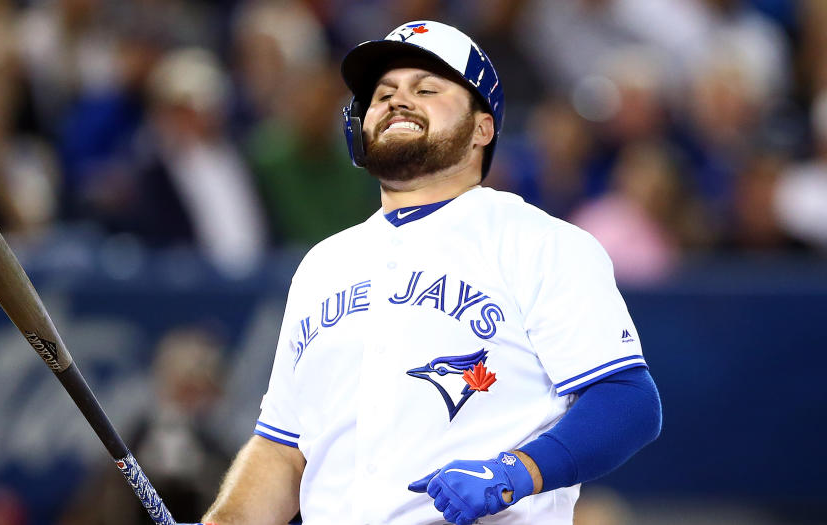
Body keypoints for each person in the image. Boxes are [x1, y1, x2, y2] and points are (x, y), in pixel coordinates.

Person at [187, 20, 662, 525]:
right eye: (383, 93)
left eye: (426, 88)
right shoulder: (322, 265)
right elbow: (283, 449)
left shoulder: (541, 243)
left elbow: (627, 400)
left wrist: (517, 472)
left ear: (483, 127)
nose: (397, 100)